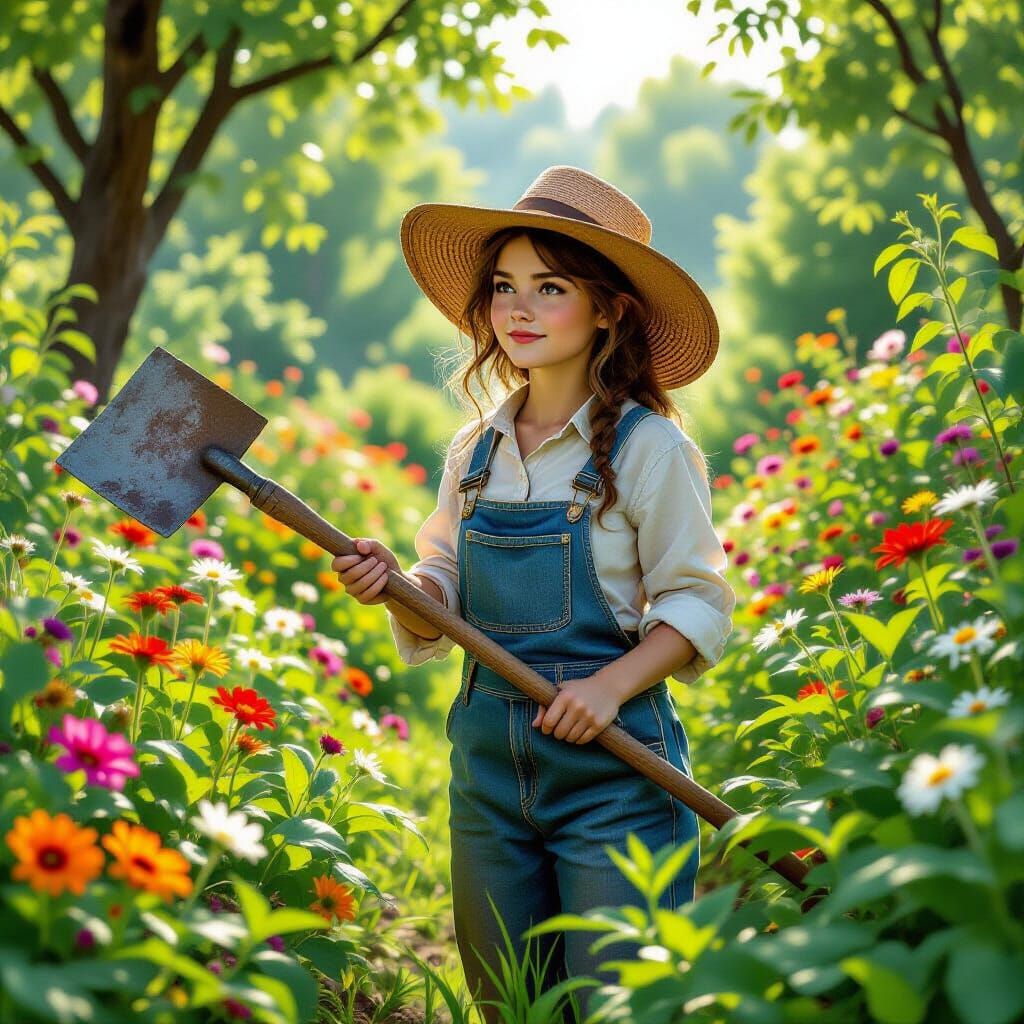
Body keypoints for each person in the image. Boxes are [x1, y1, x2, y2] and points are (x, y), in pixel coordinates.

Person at [332, 166, 735, 1022]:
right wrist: (395, 587)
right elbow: (438, 586)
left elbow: (696, 603)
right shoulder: (473, 450)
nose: (517, 307)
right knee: (509, 998)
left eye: (548, 287)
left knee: (618, 998)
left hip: (615, 768)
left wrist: (608, 688)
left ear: (608, 308)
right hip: (487, 767)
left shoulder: (648, 450)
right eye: (505, 286)